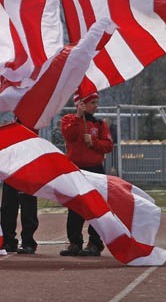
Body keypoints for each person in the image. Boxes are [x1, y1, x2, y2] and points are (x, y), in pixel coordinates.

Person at [59, 92, 113, 256]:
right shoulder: (69, 120)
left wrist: (94, 142)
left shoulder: (100, 124)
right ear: (81, 104)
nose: (96, 106)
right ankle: (75, 243)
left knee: (95, 208)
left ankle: (95, 243)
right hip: (76, 170)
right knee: (75, 208)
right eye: (93, 103)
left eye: (97, 102)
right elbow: (70, 135)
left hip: (95, 169)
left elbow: (108, 145)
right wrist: (78, 117)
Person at [0, 119, 39, 255]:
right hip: (11, 171)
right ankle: (8, 241)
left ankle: (28, 242)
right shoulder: (10, 126)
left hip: (27, 171)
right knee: (8, 206)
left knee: (28, 207)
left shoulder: (33, 126)